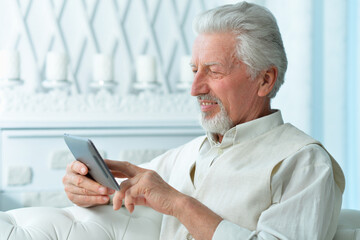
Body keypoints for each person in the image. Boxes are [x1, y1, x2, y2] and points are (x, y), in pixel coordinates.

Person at [62, 2, 345, 239]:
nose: (195, 88)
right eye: (195, 70)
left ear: (265, 80)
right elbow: (123, 190)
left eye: (213, 71)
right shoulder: (188, 154)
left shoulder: (304, 163)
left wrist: (180, 205)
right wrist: (85, 187)